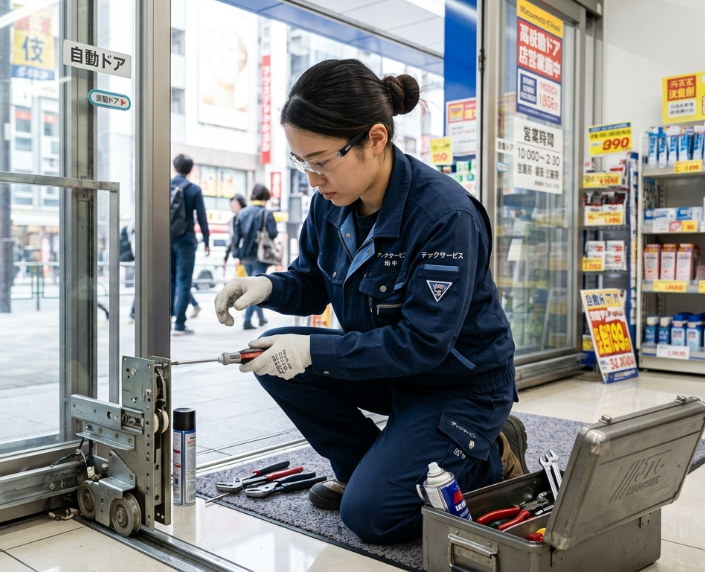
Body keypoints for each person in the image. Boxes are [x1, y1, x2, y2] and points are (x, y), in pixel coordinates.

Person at [213, 59, 525, 544]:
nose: (314, 179)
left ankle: (490, 452)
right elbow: (313, 281)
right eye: (302, 164)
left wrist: (315, 352)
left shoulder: (444, 216)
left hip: (456, 384)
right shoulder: (331, 201)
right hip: (389, 369)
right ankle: (362, 467)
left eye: (321, 161)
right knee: (269, 353)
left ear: (375, 139)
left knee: (373, 518)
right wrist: (269, 287)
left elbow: (422, 344)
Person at [170, 154, 210, 335]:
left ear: (174, 168)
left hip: (166, 239)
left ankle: (165, 320)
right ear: (190, 170)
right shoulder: (193, 189)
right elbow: (201, 217)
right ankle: (179, 324)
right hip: (186, 241)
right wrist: (207, 242)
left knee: (168, 281)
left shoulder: (166, 186)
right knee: (184, 282)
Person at [231, 184, 278, 330]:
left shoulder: (242, 213)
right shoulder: (266, 213)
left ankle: (261, 318)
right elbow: (273, 233)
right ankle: (247, 320)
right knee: (255, 288)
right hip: (260, 256)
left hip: (245, 256)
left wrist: (236, 254)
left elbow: (236, 237)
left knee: (252, 284)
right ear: (265, 198)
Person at [222, 194, 247, 273]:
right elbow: (232, 239)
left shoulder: (247, 218)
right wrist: (226, 258)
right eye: (231, 205)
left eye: (234, 204)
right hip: (239, 258)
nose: (233, 207)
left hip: (249, 256)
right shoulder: (232, 220)